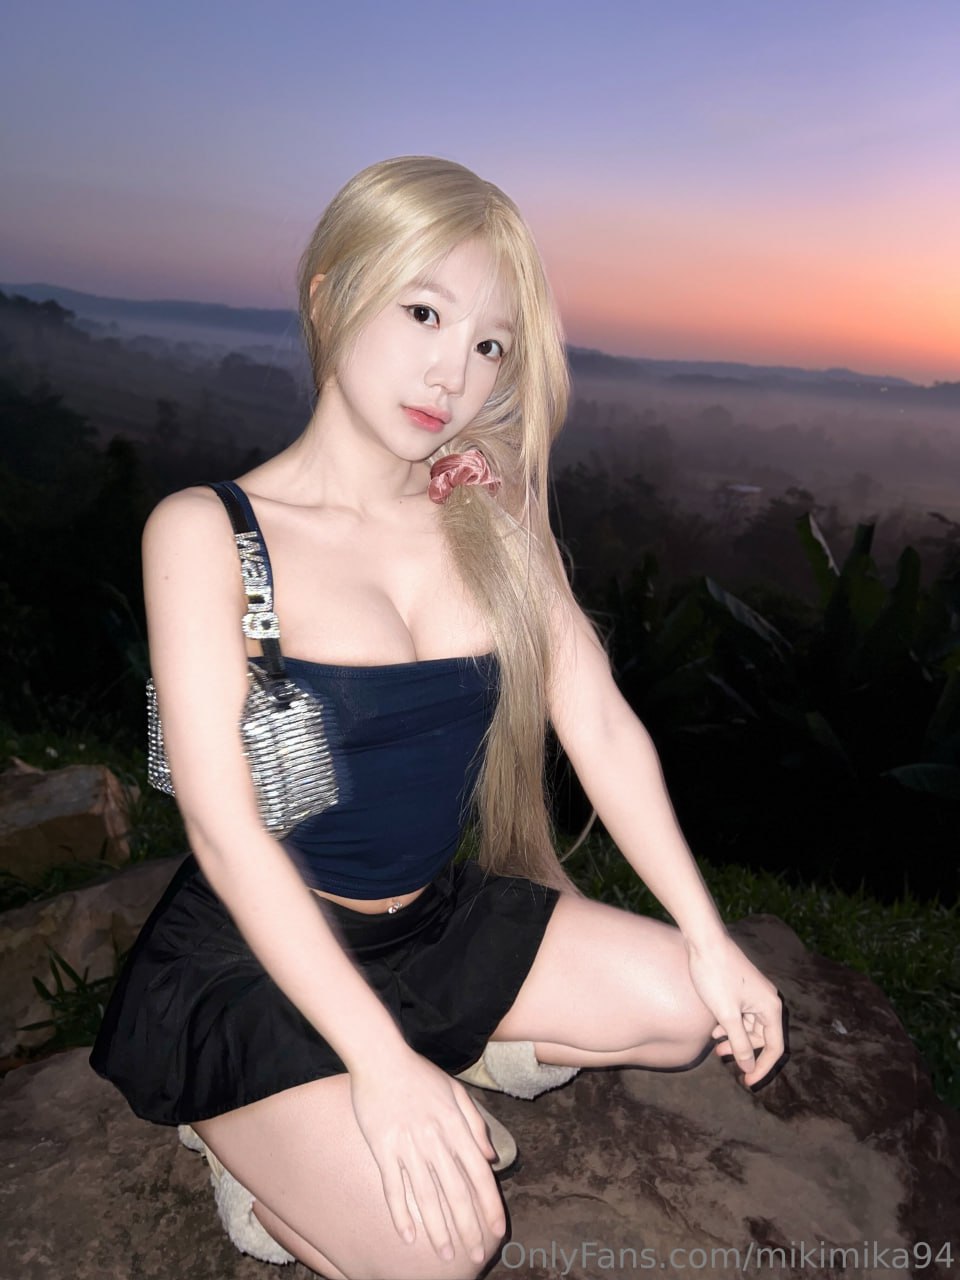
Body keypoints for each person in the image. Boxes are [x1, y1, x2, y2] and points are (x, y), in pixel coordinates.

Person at [90, 155, 786, 1280]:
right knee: (451, 1249)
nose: (452, 372)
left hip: (427, 926)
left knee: (683, 1010)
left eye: (490, 344)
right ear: (330, 294)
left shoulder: (484, 518)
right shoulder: (206, 532)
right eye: (424, 312)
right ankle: (250, 1132)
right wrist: (383, 1071)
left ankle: (421, 1057)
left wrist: (710, 936)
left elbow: (599, 722)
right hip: (258, 954)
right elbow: (223, 829)